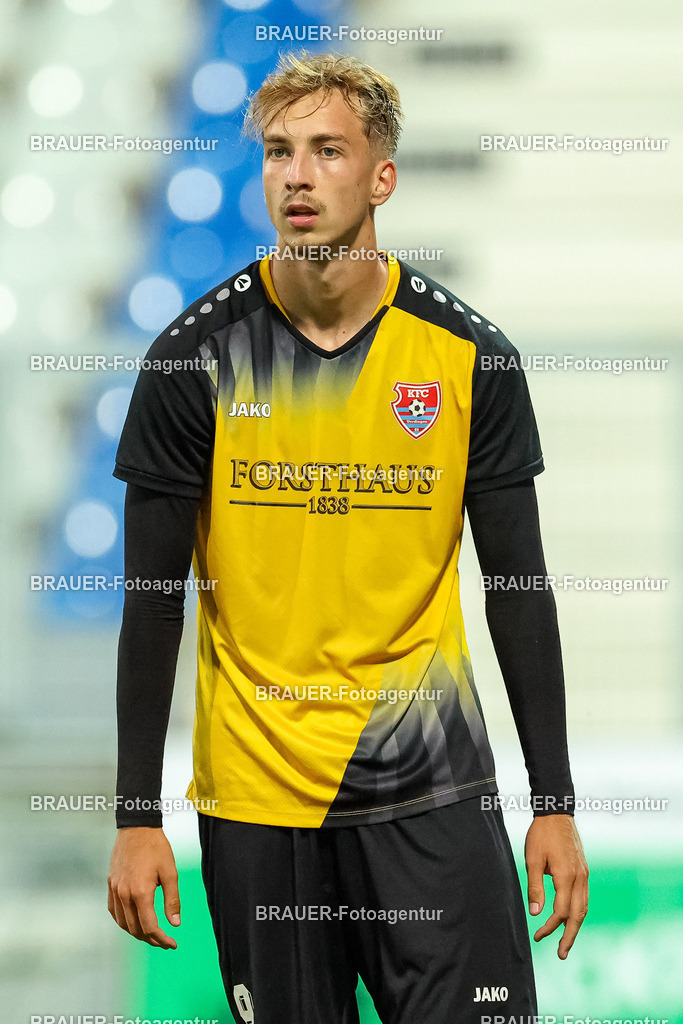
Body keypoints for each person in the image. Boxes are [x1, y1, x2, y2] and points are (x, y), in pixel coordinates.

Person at [108, 51, 588, 1024]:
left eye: (327, 150)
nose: (296, 174)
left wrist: (554, 800)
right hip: (257, 800)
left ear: (381, 177)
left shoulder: (467, 358)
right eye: (279, 152)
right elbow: (150, 600)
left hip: (433, 788)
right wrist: (133, 816)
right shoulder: (190, 359)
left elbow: (519, 589)